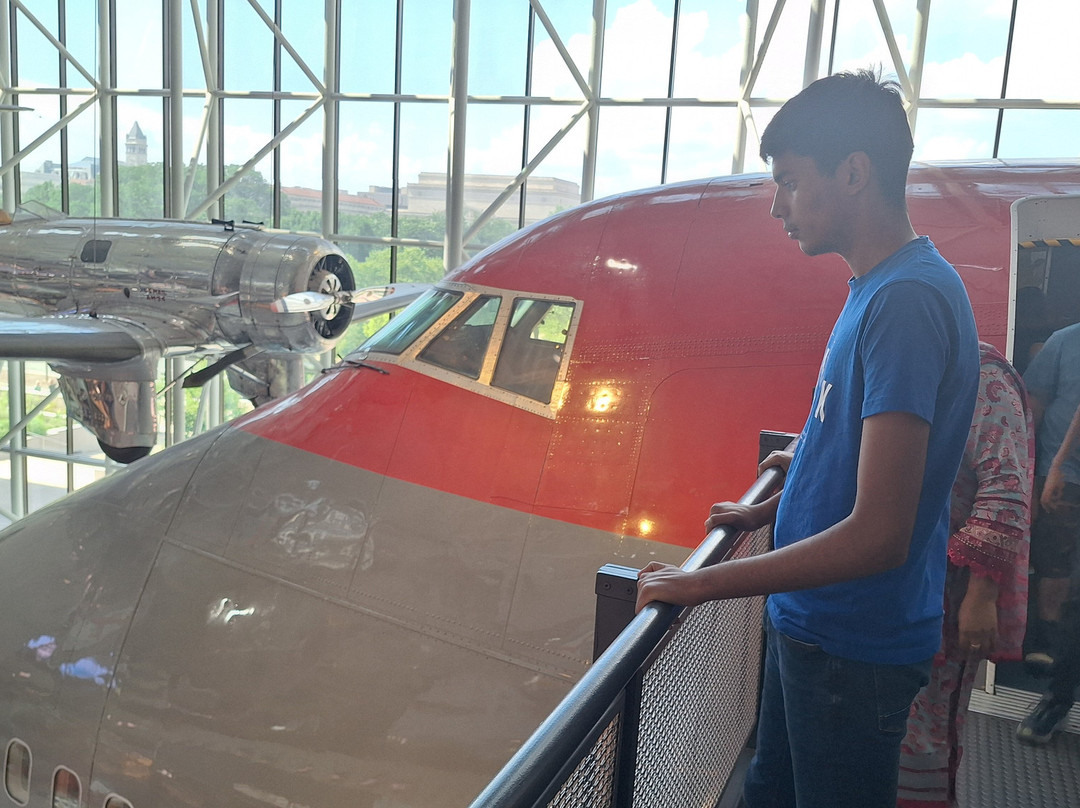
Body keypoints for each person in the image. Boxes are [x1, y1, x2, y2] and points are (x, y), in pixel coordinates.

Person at [634, 68, 979, 808]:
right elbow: (849, 445)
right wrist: (773, 504)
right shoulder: (878, 287)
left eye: (790, 182)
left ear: (853, 172)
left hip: (852, 648)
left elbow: (880, 534)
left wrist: (700, 585)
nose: (777, 206)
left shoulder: (906, 301)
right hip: (818, 629)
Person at [896, 342, 1034, 806]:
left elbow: (1006, 490)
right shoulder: (906, 361)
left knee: (928, 725)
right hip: (898, 582)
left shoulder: (982, 374)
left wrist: (981, 596)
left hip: (948, 591)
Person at [1016, 321, 1080, 744]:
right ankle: (1055, 693)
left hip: (1062, 472)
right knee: (1060, 576)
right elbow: (1035, 407)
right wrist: (1037, 469)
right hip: (1067, 480)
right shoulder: (1064, 341)